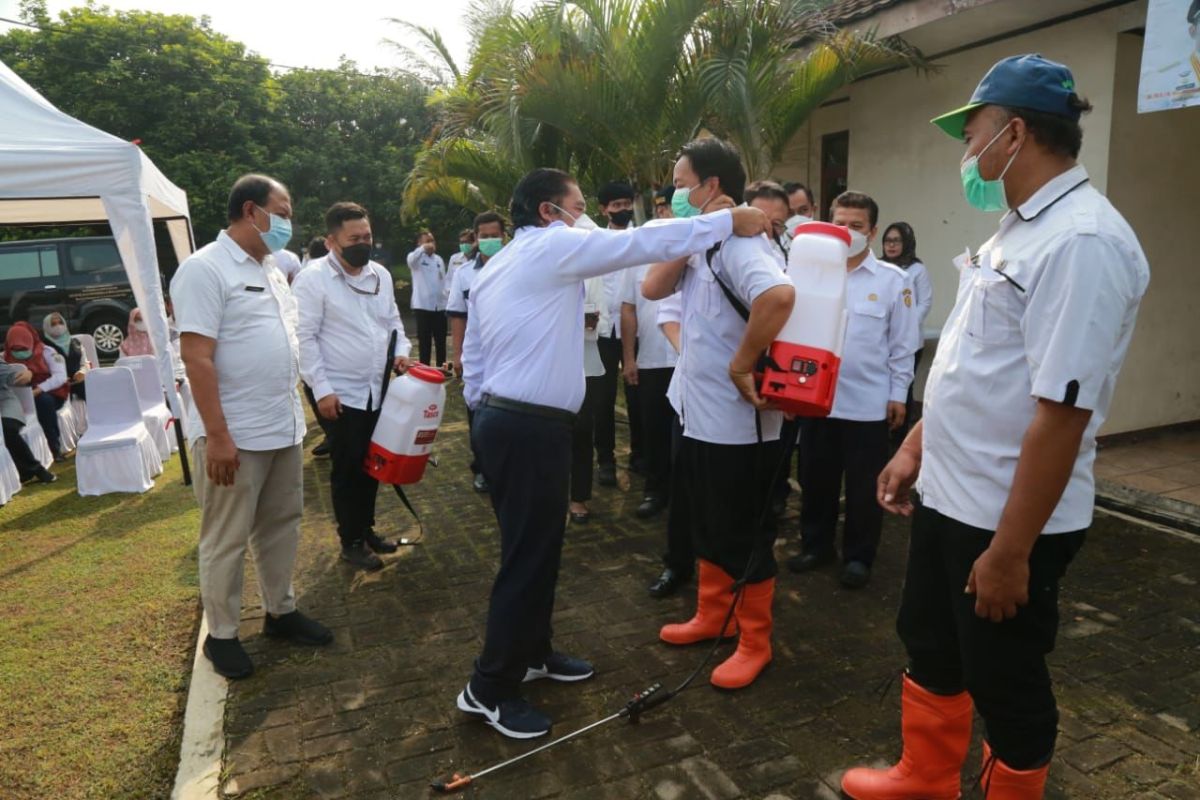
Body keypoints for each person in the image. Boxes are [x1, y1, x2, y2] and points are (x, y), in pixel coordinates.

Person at [840, 55, 1150, 800]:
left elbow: (1062, 411)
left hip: (1007, 519)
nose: (965, 154)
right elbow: (972, 364)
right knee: (933, 641)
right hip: (953, 496)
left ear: (1013, 133)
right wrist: (915, 444)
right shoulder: (1018, 227)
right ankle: (925, 775)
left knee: (1004, 677)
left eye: (970, 133)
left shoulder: (1082, 242)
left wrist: (1011, 554)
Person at [457, 166, 770, 738]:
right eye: (577, 206)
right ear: (550, 212)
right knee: (527, 558)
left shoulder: (500, 265)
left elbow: (474, 355)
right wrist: (726, 219)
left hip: (510, 422)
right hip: (525, 427)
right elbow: (637, 243)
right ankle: (489, 687)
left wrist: (480, 412)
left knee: (538, 550)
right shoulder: (551, 245)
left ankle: (533, 652)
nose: (587, 218)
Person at [643, 137, 796, 690]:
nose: (674, 192)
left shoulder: (741, 243)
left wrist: (742, 362)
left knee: (740, 531)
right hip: (696, 411)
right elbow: (653, 284)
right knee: (706, 520)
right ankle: (714, 615)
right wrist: (693, 234)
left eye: (682, 183)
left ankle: (755, 639)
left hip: (739, 425)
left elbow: (777, 297)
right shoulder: (708, 239)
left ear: (711, 186)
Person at [171, 173, 333, 680]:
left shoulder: (273, 269)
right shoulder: (204, 270)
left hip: (282, 428)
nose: (288, 222)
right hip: (233, 435)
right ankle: (221, 636)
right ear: (250, 211)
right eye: (282, 212)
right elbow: (197, 358)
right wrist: (217, 436)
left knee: (281, 526)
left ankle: (280, 612)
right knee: (226, 537)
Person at [789, 191, 918, 590]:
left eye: (857, 226)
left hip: (867, 405)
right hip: (816, 402)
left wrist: (898, 393)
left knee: (865, 488)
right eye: (840, 223)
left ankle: (860, 556)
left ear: (873, 231)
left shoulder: (894, 281)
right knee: (815, 479)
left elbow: (904, 344)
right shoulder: (810, 273)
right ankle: (816, 545)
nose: (847, 232)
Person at [293, 202, 413, 572]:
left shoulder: (378, 274)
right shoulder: (313, 279)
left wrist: (402, 353)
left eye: (368, 236)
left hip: (378, 387)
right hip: (339, 392)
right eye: (354, 238)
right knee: (348, 467)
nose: (364, 243)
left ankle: (366, 529)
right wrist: (323, 389)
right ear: (332, 241)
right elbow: (304, 337)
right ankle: (351, 541)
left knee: (373, 463)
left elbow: (392, 320)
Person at [448, 212, 506, 493]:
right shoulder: (464, 273)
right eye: (484, 236)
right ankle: (482, 467)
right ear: (475, 238)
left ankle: (507, 465)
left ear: (504, 236)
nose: (490, 240)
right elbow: (458, 317)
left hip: (509, 353)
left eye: (495, 235)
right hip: (478, 356)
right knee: (477, 411)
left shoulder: (515, 266)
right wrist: (457, 355)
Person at [594, 181, 644, 484]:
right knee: (603, 400)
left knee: (638, 397)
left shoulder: (640, 239)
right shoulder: (594, 242)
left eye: (627, 204)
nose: (623, 210)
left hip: (635, 331)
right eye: (616, 206)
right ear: (603, 210)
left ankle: (640, 456)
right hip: (601, 331)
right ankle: (606, 460)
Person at [881, 222, 933, 433]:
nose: (891, 246)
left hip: (909, 340)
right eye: (887, 241)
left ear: (907, 243)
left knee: (904, 385)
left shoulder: (917, 269)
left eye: (897, 241)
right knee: (884, 384)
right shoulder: (878, 267)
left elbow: (925, 302)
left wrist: (905, 323)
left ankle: (900, 432)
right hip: (883, 338)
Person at [569, 276, 609, 524]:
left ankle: (578, 496)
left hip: (585, 364)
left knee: (582, 430)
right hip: (547, 366)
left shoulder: (593, 276)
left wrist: (587, 320)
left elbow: (602, 317)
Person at [4, 322, 69, 462]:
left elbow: (60, 376)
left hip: (49, 392)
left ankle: (54, 447)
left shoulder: (47, 352)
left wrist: (38, 390)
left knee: (44, 402)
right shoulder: (4, 358)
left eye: (23, 348)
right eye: (15, 349)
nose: (19, 352)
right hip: (17, 397)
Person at [0, 361, 56, 484]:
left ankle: (35, 469)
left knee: (7, 428)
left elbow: (12, 375)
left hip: (4, 404)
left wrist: (25, 375)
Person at [407, 230, 448, 366]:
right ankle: (424, 368)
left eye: (432, 241)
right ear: (419, 244)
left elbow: (443, 281)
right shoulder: (416, 259)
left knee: (441, 340)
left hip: (440, 306)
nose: (431, 244)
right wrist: (422, 249)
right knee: (425, 341)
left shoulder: (439, 259)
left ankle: (442, 367)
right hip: (423, 306)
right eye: (427, 241)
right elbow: (411, 260)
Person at [41, 312, 88, 402]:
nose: (58, 326)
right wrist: (59, 378)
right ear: (47, 326)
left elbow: (85, 362)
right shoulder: (44, 347)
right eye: (53, 324)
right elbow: (42, 369)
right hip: (58, 384)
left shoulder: (76, 343)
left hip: (78, 382)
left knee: (94, 395)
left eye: (60, 323)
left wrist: (82, 372)